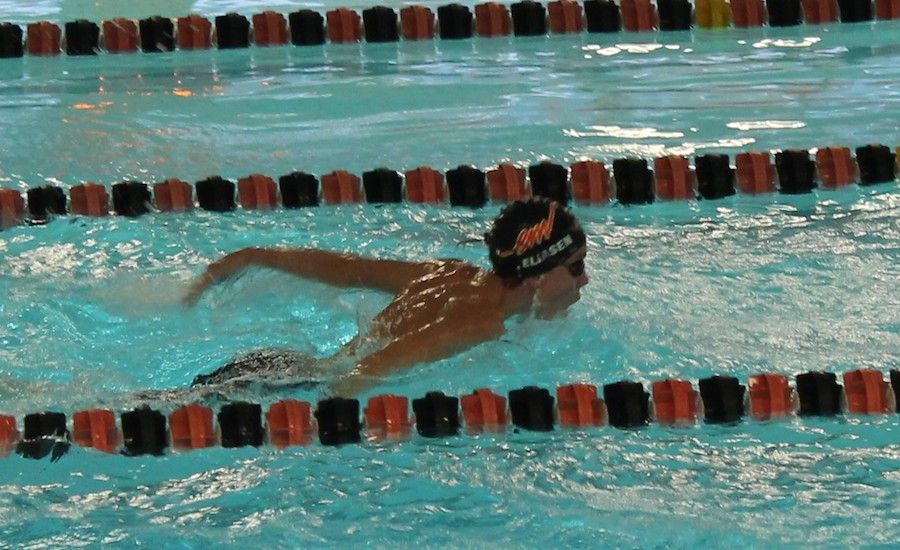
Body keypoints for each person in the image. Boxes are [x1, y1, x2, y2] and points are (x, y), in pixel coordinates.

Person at [183, 197, 588, 397]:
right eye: (575, 267)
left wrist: (258, 256)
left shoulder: (452, 273)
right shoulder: (481, 322)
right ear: (536, 276)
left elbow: (348, 270)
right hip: (289, 389)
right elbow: (373, 369)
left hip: (281, 366)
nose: (584, 280)